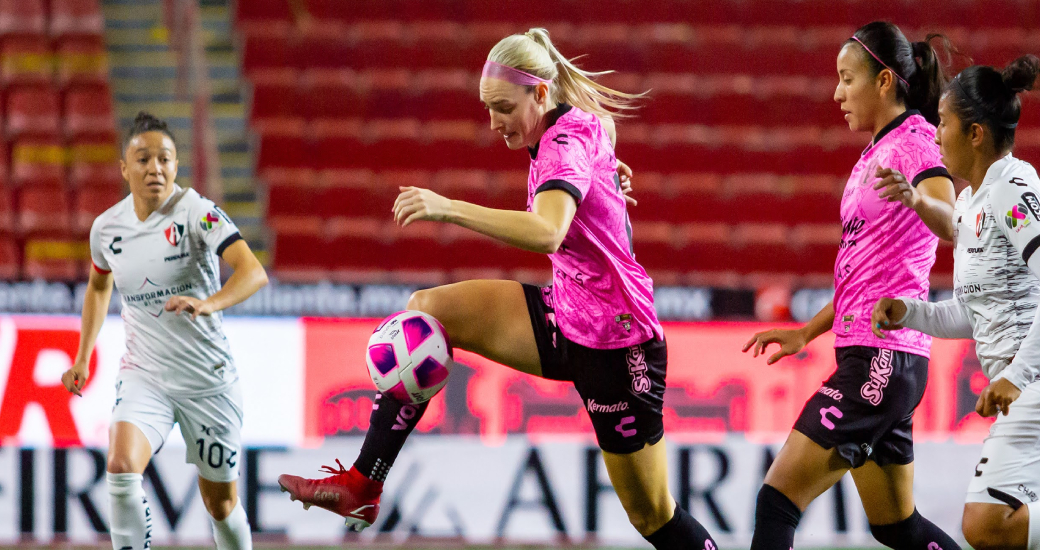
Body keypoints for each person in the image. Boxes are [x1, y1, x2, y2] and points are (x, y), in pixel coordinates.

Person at [277, 28, 719, 549]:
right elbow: (602, 141)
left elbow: (547, 231)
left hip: (617, 344)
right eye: (487, 108)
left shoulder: (566, 144)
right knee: (427, 314)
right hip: (566, 314)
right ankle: (363, 484)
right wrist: (608, 176)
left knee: (652, 516)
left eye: (503, 107)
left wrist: (448, 208)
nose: (493, 122)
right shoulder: (578, 128)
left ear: (538, 93)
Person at [741, 22, 963, 549]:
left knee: (776, 500)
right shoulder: (873, 153)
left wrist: (917, 200)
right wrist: (808, 332)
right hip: (870, 354)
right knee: (895, 527)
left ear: (885, 81)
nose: (837, 93)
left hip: (883, 357)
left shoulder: (915, 143)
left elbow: (952, 221)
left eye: (847, 79)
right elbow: (862, 272)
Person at [60, 112, 269, 550]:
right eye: (143, 159)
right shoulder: (106, 229)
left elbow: (253, 272)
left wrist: (208, 303)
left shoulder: (198, 214)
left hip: (207, 381)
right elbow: (99, 287)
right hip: (145, 375)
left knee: (221, 505)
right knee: (119, 467)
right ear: (124, 167)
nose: (155, 168)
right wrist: (82, 356)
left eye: (165, 159)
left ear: (176, 165)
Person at [872, 54, 1040, 550]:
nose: (935, 132)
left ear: (975, 134)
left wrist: (1014, 375)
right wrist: (911, 312)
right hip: (1020, 384)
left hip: (1031, 381)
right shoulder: (971, 204)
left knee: (987, 525)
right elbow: (975, 314)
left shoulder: (1014, 189)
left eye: (943, 122)